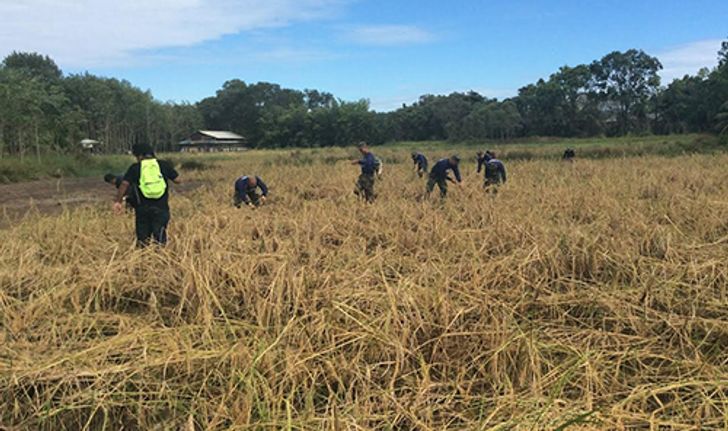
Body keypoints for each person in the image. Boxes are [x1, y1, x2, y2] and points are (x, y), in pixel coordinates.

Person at [113, 143, 180, 247]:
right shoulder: (163, 165)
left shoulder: (135, 168)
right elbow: (178, 180)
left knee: (143, 239)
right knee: (160, 236)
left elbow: (124, 184)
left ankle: (143, 259)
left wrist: (118, 201)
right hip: (161, 207)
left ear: (139, 156)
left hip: (142, 208)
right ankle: (161, 259)